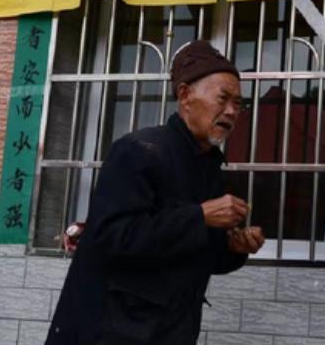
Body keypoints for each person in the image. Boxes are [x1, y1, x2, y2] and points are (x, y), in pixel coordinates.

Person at [46, 41, 264, 345]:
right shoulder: (139, 151)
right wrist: (199, 217)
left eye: (238, 103)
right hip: (111, 330)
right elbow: (109, 236)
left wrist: (234, 248)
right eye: (223, 98)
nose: (231, 111)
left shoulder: (209, 167)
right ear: (185, 95)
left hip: (172, 330)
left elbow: (200, 256)